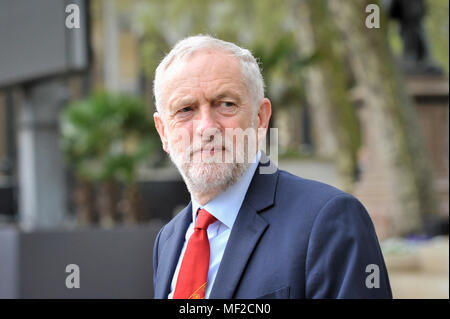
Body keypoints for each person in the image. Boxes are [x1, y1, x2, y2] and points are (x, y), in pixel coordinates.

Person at [152, 35, 392, 299]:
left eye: (226, 104)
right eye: (185, 109)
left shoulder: (328, 221)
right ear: (163, 132)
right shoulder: (168, 240)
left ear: (260, 118)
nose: (207, 127)